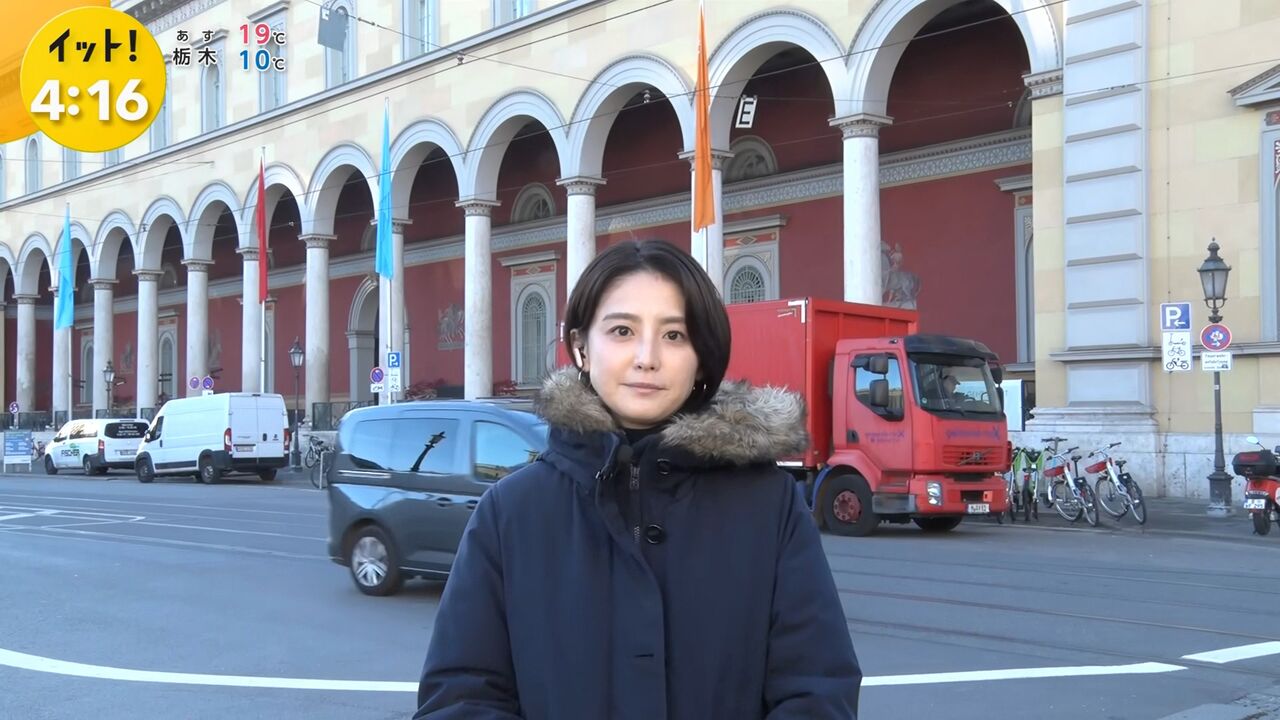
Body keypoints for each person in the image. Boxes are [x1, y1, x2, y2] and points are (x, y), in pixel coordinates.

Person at [414, 239, 861, 719]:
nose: (647, 357)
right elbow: (460, 697)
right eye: (623, 331)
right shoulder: (511, 513)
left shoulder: (768, 505)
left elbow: (817, 690)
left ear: (702, 358)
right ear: (582, 347)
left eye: (674, 335)